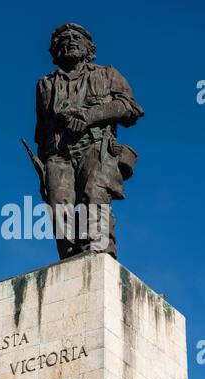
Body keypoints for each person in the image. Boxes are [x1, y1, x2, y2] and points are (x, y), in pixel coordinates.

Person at [35, 23, 144, 259]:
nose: (70, 40)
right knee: (58, 208)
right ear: (55, 50)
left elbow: (129, 108)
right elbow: (42, 129)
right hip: (57, 153)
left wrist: (88, 116)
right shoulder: (45, 84)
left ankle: (99, 257)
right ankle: (70, 261)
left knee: (93, 198)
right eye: (64, 38)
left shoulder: (107, 74)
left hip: (95, 147)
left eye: (77, 37)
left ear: (88, 48)